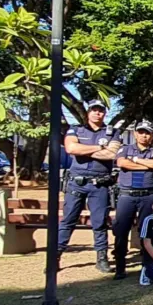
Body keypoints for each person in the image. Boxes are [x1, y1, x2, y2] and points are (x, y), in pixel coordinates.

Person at [60, 100, 122, 273]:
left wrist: (84, 149)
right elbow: (71, 148)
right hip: (76, 183)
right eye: (94, 110)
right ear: (88, 113)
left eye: (101, 111)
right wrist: (99, 147)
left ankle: (101, 258)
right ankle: (56, 255)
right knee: (68, 220)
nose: (97, 113)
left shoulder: (113, 132)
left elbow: (111, 153)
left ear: (105, 114)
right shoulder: (76, 129)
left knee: (100, 222)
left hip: (100, 184)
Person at [112, 121, 153, 280]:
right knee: (121, 231)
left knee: (147, 231)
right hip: (127, 195)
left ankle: (147, 267)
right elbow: (121, 163)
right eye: (141, 132)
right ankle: (120, 267)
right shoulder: (125, 148)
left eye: (147, 133)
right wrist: (146, 164)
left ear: (152, 135)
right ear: (135, 133)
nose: (144, 135)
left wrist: (135, 160)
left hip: (148, 196)